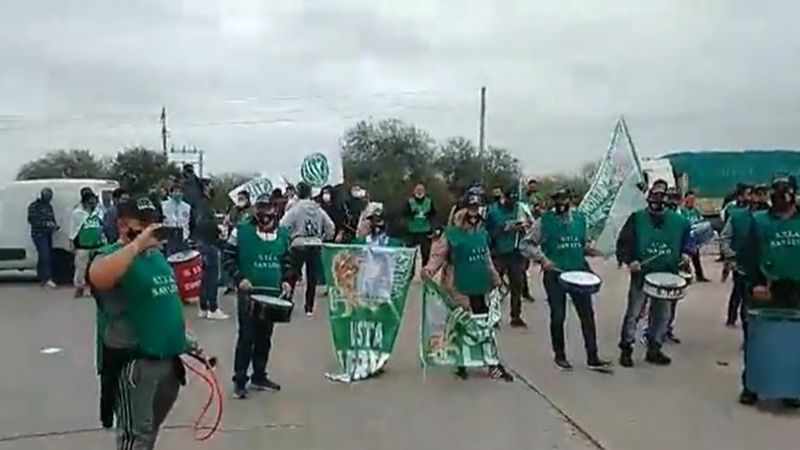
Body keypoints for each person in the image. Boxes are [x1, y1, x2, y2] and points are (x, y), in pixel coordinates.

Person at [88, 196, 195, 449]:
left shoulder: (156, 257)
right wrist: (136, 245)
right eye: (144, 223)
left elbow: (162, 303)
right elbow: (98, 276)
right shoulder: (111, 256)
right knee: (135, 435)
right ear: (124, 225)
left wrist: (187, 341)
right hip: (135, 363)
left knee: (148, 433)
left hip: (166, 361)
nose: (152, 230)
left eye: (155, 223)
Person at [422, 194, 514, 382]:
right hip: (458, 285)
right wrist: (429, 270)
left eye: (477, 209)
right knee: (461, 324)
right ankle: (461, 362)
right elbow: (438, 255)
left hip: (480, 283)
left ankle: (492, 363)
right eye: (470, 209)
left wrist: (497, 281)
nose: (474, 214)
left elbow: (486, 258)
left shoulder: (482, 233)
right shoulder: (451, 234)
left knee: (484, 325)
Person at [520, 188, 611, 371]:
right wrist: (542, 259)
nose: (561, 203)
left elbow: (581, 244)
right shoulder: (544, 221)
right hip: (556, 275)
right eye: (557, 199)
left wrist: (594, 250)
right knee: (558, 315)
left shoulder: (580, 220)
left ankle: (592, 356)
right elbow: (526, 244)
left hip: (579, 274)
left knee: (587, 316)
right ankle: (560, 355)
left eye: (564, 199)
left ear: (570, 199)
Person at [223, 195, 295, 399]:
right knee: (247, 337)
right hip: (249, 294)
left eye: (268, 209)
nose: (265, 214)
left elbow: (287, 261)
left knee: (265, 337)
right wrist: (239, 278)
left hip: (272, 294)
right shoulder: (242, 231)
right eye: (261, 209)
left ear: (275, 210)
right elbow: (228, 256)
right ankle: (239, 380)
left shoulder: (283, 234)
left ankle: (259, 375)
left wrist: (287, 281)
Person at [738, 176, 800, 408]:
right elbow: (748, 255)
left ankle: (791, 388)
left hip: (796, 288)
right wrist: (755, 283)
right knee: (759, 338)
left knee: (794, 341)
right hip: (766, 286)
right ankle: (752, 385)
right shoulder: (759, 221)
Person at [616, 181, 692, 367]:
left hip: (667, 274)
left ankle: (654, 347)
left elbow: (688, 241)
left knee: (663, 314)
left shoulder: (680, 222)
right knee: (634, 313)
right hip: (642, 274)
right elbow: (624, 243)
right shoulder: (636, 218)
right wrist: (630, 260)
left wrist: (686, 254)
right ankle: (626, 348)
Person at [279, 181, 335, 316]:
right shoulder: (318, 209)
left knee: (292, 275)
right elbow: (330, 226)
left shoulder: (295, 209)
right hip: (315, 244)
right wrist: (324, 237)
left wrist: (288, 238)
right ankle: (309, 307)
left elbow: (283, 225)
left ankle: (287, 303)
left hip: (298, 244)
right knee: (312, 278)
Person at [486, 185, 527, 328]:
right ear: (504, 197)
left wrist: (522, 228)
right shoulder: (493, 211)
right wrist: (504, 228)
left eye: (515, 200)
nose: (512, 203)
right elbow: (487, 232)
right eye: (510, 199)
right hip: (498, 253)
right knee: (494, 286)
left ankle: (516, 316)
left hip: (516, 253)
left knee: (517, 285)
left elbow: (529, 227)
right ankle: (493, 316)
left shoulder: (519, 210)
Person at [191, 179, 228, 320]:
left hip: (200, 242)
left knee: (204, 277)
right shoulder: (204, 205)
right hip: (208, 243)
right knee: (211, 276)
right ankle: (213, 307)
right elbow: (205, 224)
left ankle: (203, 307)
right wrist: (217, 230)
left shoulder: (197, 204)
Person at [70, 188, 106, 298]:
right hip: (83, 245)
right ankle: (79, 287)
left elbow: (103, 227)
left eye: (94, 200)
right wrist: (71, 242)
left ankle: (92, 288)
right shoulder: (77, 213)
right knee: (81, 268)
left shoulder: (99, 212)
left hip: (97, 244)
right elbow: (73, 229)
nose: (92, 203)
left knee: (95, 268)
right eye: (90, 201)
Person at [27, 187, 58, 288]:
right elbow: (32, 220)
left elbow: (52, 218)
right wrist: (45, 224)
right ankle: (47, 279)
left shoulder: (49, 206)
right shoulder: (34, 206)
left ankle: (42, 278)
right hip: (39, 234)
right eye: (48, 196)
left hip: (48, 234)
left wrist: (54, 225)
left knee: (44, 256)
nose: (49, 198)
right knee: (45, 255)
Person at [678, 190, 709, 282]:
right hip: (685, 237)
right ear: (685, 199)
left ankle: (699, 275)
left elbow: (701, 222)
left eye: (693, 199)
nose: (692, 201)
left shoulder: (696, 211)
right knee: (684, 258)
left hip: (694, 237)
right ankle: (686, 275)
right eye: (690, 199)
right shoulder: (681, 211)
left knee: (696, 257)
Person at [405, 183, 436, 267]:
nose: (419, 191)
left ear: (425, 191)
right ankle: (408, 274)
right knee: (409, 255)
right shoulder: (409, 201)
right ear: (414, 191)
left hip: (425, 231)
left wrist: (434, 229)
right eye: (417, 189)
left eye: (421, 190)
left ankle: (424, 274)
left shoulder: (429, 201)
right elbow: (404, 215)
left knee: (426, 254)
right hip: (412, 231)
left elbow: (433, 216)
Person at [160, 182, 192, 256]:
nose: (178, 194)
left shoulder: (187, 207)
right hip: (169, 238)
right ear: (171, 193)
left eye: (180, 192)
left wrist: (188, 235)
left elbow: (190, 223)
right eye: (175, 191)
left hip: (183, 238)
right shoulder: (164, 205)